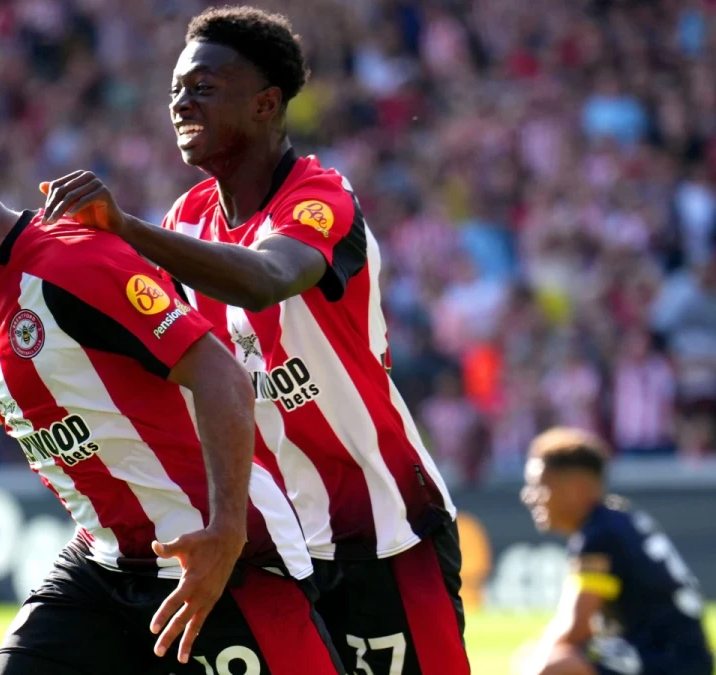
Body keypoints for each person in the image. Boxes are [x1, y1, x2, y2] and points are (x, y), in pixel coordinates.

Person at [41, 6, 467, 674]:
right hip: (278, 549)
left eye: (203, 87)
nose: (181, 102)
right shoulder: (187, 219)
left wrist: (127, 228)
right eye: (177, 89)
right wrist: (32, 372)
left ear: (266, 104)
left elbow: (265, 280)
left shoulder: (321, 197)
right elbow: (141, 342)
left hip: (384, 533)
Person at [0, 110, 342, 675]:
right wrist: (12, 402)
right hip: (105, 566)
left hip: (221, 559)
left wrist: (226, 532)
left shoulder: (72, 262)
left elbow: (221, 376)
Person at [519, 428, 715, 675]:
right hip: (675, 655)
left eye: (541, 485)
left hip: (669, 659)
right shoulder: (615, 522)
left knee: (551, 667)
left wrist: (532, 663)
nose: (529, 496)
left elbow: (576, 627)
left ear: (577, 487)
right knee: (539, 658)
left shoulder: (600, 535)